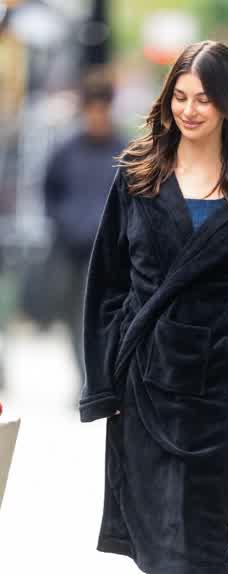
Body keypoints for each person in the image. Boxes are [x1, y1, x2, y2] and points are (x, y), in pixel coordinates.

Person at [79, 41, 228, 574]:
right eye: (179, 97)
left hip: (219, 388)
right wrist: (102, 382)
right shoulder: (139, 174)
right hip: (146, 384)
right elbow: (106, 281)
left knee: (207, 548)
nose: (188, 110)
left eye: (203, 99)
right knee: (165, 559)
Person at [44, 69, 125, 388]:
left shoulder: (125, 152)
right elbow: (50, 193)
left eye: (102, 109)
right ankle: (87, 379)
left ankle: (104, 377)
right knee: (74, 316)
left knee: (110, 315)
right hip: (73, 250)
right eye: (91, 109)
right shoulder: (65, 152)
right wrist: (64, 222)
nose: (97, 117)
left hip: (113, 252)